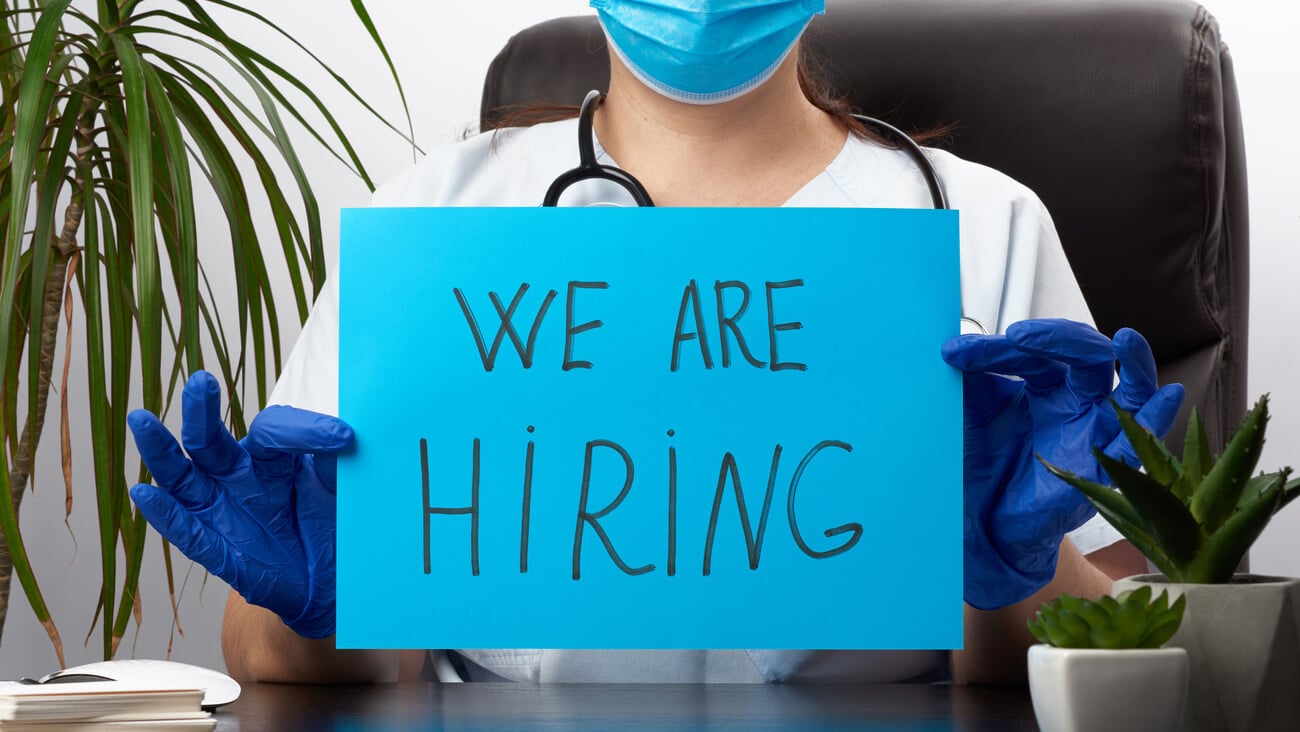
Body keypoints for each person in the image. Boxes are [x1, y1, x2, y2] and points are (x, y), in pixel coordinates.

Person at [127, 0, 1184, 686]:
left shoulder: (984, 229)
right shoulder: (436, 228)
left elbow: (1126, 664)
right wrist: (332, 609)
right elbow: (269, 656)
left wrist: (1018, 565)